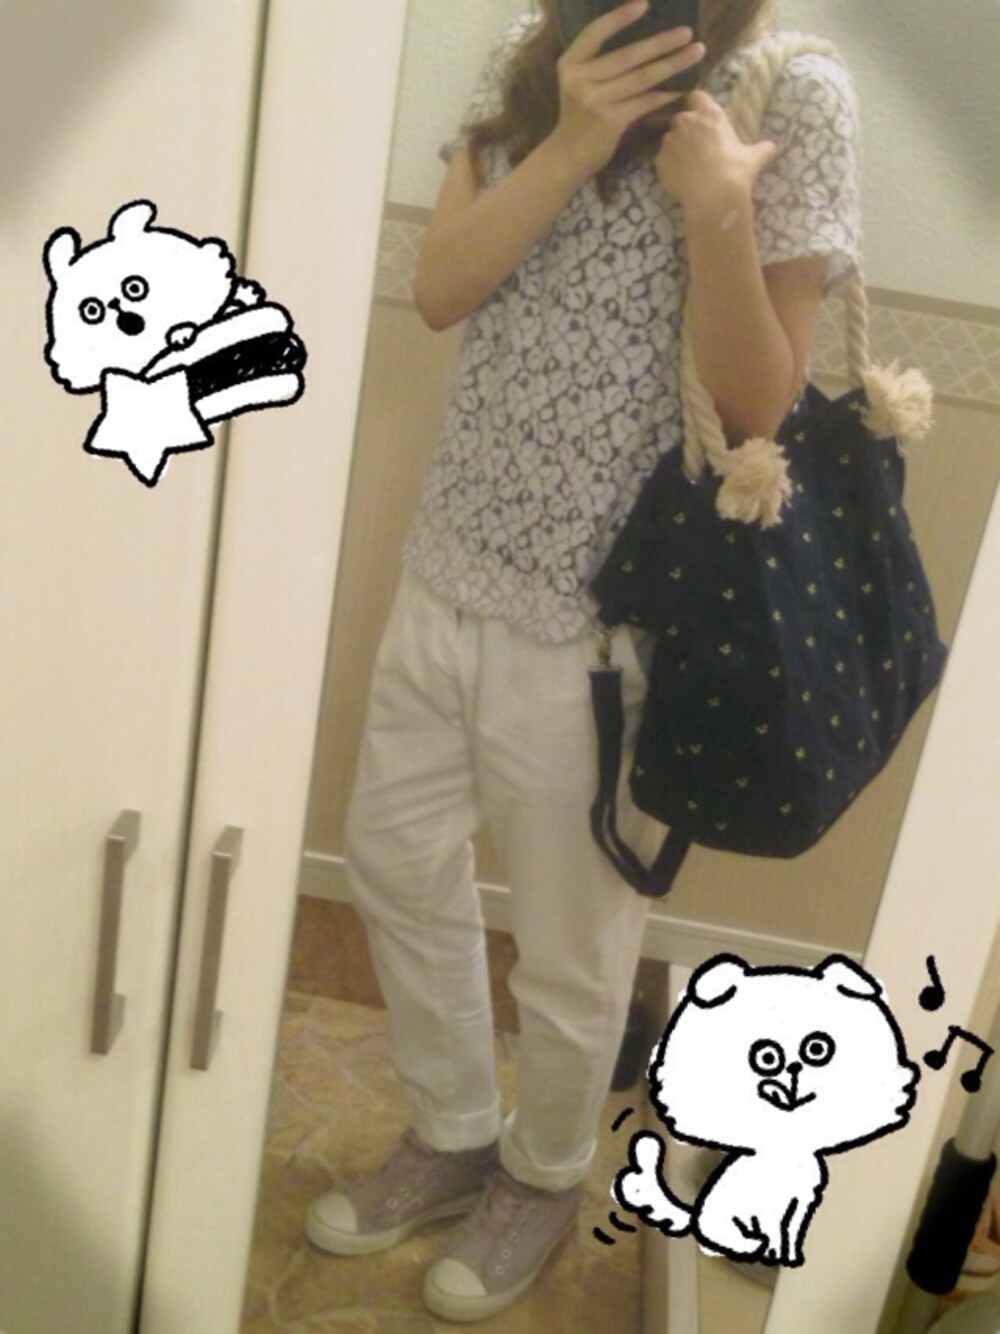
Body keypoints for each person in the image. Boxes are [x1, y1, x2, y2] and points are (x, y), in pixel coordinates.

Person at [307, 0, 860, 1321]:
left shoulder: (797, 90)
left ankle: (543, 1170)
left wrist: (719, 211)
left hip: (614, 631)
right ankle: (453, 1128)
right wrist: (568, 138)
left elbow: (760, 406)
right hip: (447, 564)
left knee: (568, 948)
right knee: (393, 861)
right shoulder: (530, 45)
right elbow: (441, 289)